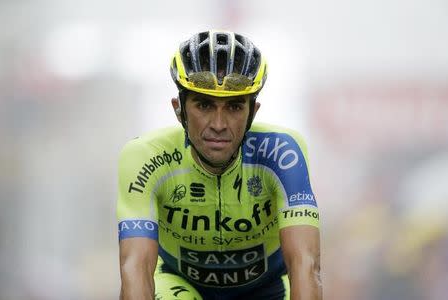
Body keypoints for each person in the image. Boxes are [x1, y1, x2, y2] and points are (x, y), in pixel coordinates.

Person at [117, 30, 322, 300]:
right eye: (204, 105)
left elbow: (305, 266)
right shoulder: (146, 156)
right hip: (179, 284)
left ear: (253, 112)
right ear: (179, 109)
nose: (218, 124)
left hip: (267, 289)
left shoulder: (282, 153)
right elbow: (136, 269)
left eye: (235, 107)